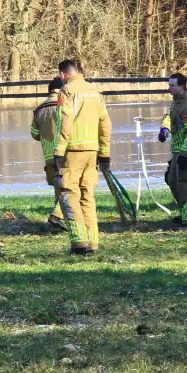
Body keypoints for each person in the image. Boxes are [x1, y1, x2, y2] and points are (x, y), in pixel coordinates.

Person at [53, 59, 112, 255]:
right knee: (88, 196)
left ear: (62, 74)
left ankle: (80, 243)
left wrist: (59, 151)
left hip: (73, 151)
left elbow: (65, 122)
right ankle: (93, 242)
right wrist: (104, 152)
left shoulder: (67, 91)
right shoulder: (95, 92)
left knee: (69, 195)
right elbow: (105, 124)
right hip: (92, 152)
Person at [158, 73, 187, 225]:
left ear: (182, 86)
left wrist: (185, 153)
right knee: (172, 180)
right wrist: (164, 129)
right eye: (169, 85)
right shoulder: (176, 102)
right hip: (178, 150)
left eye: (172, 86)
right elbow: (170, 117)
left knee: (186, 183)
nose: (169, 88)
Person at [30, 78, 67, 232]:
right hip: (64, 154)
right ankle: (57, 215)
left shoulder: (39, 109)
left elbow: (34, 134)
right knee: (69, 188)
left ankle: (59, 220)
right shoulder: (64, 105)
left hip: (49, 156)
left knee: (58, 189)